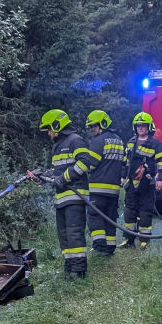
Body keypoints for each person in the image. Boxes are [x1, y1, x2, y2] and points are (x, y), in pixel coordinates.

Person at [39, 109, 91, 278]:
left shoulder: (75, 140)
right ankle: (69, 267)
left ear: (57, 125)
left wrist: (63, 178)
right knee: (64, 235)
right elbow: (57, 171)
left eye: (49, 129)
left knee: (74, 233)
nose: (48, 133)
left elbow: (84, 163)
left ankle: (79, 270)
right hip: (61, 197)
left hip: (75, 196)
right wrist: (43, 177)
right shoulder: (58, 145)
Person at [121, 112, 162, 249]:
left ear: (149, 127)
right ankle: (128, 239)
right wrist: (122, 176)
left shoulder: (155, 143)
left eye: (143, 126)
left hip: (147, 182)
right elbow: (126, 161)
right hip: (131, 182)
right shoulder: (131, 142)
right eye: (138, 126)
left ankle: (144, 240)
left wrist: (161, 179)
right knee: (129, 211)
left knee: (145, 211)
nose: (140, 128)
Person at [83, 109, 124, 255]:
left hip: (98, 188)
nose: (92, 129)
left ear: (103, 124)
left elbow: (91, 164)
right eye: (90, 127)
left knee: (95, 216)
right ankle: (110, 247)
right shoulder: (119, 140)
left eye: (94, 126)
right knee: (110, 218)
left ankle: (100, 247)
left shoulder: (99, 141)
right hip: (114, 190)